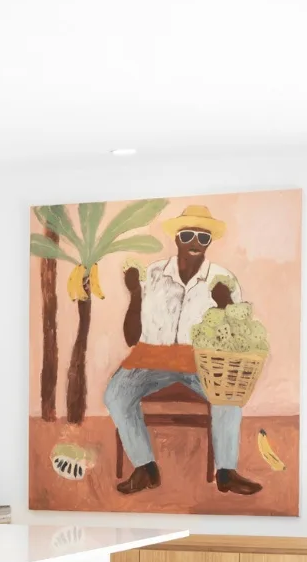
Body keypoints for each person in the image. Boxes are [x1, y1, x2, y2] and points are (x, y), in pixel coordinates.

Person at [103, 203, 261, 496]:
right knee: (115, 394)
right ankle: (145, 467)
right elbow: (131, 337)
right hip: (152, 360)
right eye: (188, 235)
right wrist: (135, 294)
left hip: (203, 364)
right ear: (176, 238)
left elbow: (239, 336)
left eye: (203, 238)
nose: (194, 243)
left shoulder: (222, 279)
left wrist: (226, 304)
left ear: (209, 243)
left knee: (229, 395)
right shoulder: (152, 275)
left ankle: (226, 471)